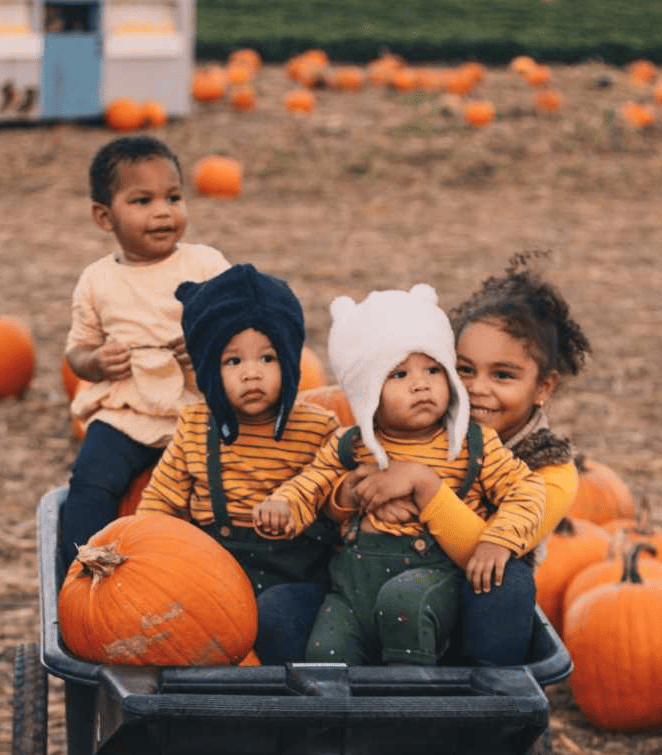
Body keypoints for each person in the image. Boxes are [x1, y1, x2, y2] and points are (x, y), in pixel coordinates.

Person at [252, 283, 546, 666]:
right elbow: (311, 483)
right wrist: (284, 505)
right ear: (365, 395)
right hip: (352, 589)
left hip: (430, 578)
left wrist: (500, 540)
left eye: (433, 369)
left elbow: (527, 489)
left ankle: (411, 708)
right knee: (326, 652)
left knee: (402, 604)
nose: (421, 384)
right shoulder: (349, 445)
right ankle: (338, 722)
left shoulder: (474, 444)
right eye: (399, 374)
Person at [136, 264, 341, 664]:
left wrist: (299, 505)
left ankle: (296, 715)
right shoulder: (195, 428)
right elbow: (160, 504)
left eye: (267, 358)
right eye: (233, 362)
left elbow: (336, 491)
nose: (251, 374)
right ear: (209, 368)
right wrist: (141, 556)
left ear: (291, 361)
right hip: (215, 581)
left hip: (297, 582)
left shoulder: (319, 428)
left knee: (278, 616)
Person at [59, 134, 230, 570]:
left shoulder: (205, 266)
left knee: (227, 488)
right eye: (142, 201)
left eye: (173, 197)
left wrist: (208, 347)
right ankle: (81, 576)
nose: (162, 211)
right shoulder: (97, 281)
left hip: (198, 410)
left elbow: (241, 331)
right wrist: (94, 363)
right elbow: (77, 350)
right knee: (91, 483)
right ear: (104, 216)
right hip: (126, 413)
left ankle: (221, 573)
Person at [446, 251, 591, 661]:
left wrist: (423, 489)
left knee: (506, 579)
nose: (478, 388)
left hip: (480, 617)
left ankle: (491, 707)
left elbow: (481, 548)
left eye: (503, 375)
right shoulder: (426, 427)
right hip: (403, 598)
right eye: (465, 369)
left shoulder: (553, 469)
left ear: (543, 387)